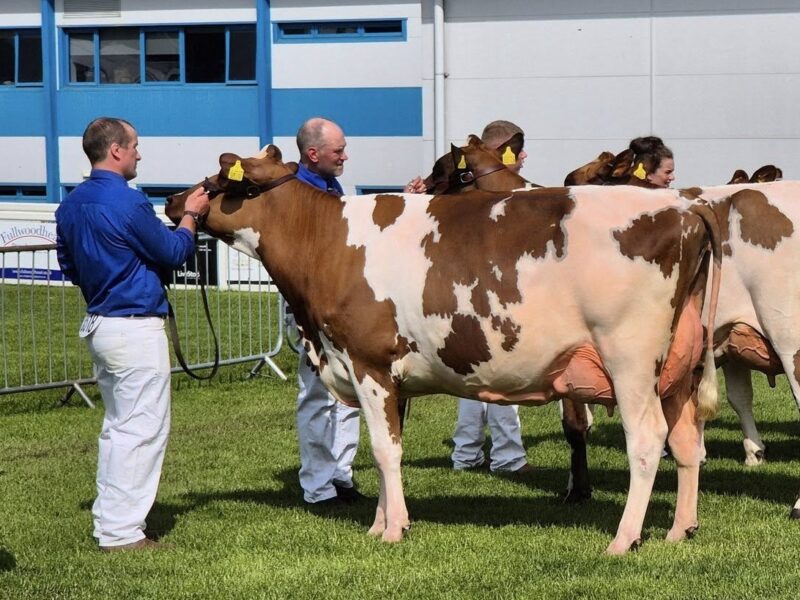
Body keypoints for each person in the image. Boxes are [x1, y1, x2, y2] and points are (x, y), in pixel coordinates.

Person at [55, 117, 210, 552]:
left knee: (119, 429)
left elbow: (70, 266)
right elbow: (175, 252)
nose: (140, 154)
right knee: (140, 431)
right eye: (136, 146)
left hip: (102, 322)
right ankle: (121, 532)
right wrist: (192, 217)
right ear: (117, 151)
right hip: (134, 326)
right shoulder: (129, 202)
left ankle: (112, 522)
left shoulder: (70, 204)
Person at [406, 120, 533, 475]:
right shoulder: (498, 191)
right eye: (517, 150)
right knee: (504, 371)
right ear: (503, 151)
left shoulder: (462, 184)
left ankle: (466, 454)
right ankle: (507, 457)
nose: (523, 157)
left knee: (472, 373)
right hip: (490, 294)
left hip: (464, 292)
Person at [292, 117, 363, 505]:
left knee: (350, 391)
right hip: (312, 307)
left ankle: (341, 474)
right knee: (317, 392)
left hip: (344, 304)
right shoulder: (296, 193)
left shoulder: (331, 186)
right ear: (313, 153)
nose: (345, 156)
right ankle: (318, 486)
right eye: (339, 150)